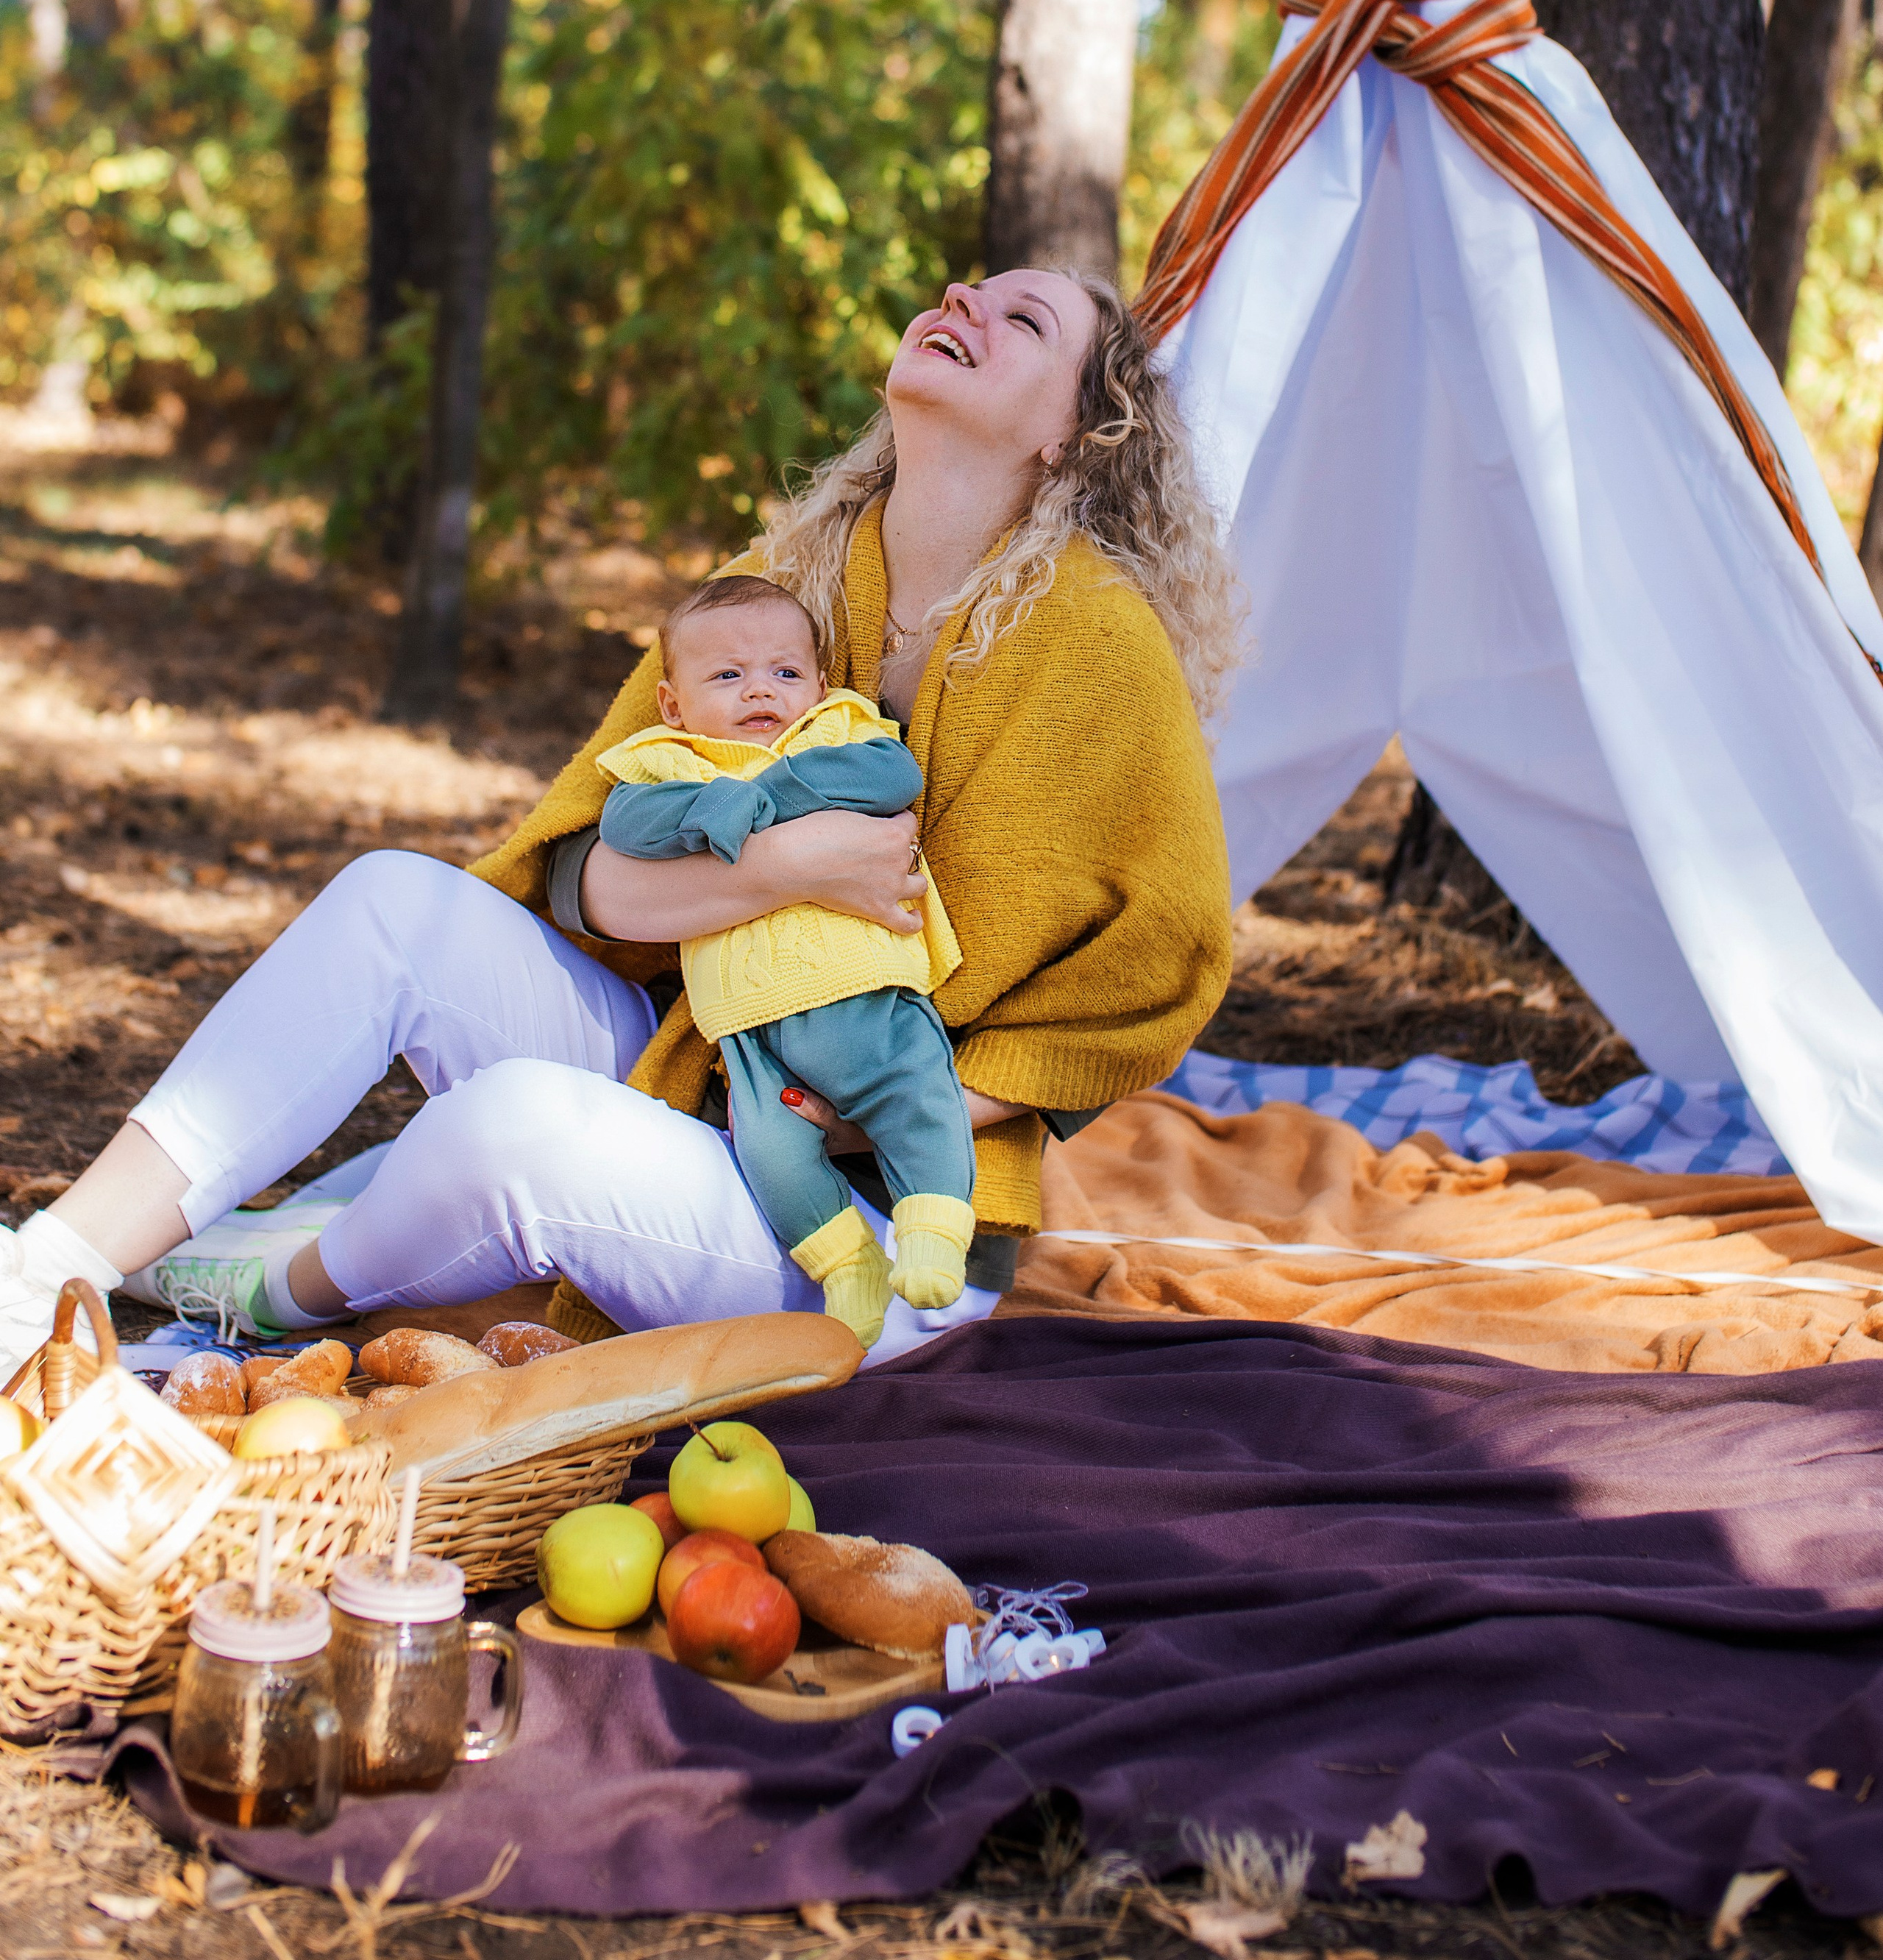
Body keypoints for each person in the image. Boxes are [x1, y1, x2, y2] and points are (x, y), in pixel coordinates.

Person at [0, 269, 1240, 1381]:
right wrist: (785, 864)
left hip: (873, 1213)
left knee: (511, 1125)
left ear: (1079, 434)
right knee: (393, 901)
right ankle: (45, 1272)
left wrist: (882, 1104)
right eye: (969, 286)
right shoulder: (804, 568)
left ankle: (258, 1294)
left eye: (1023, 318)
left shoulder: (1094, 644)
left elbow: (1154, 982)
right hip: (694, 1068)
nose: (966, 299)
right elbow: (589, 873)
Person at [594, 571, 975, 1350]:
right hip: (751, 1033)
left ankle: (934, 1231)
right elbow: (630, 826)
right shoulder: (667, 761)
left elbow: (891, 778)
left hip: (869, 999)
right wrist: (709, 803)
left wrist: (760, 796)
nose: (759, 691)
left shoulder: (836, 731)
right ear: (672, 703)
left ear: (820, 683)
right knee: (773, 1156)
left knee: (920, 1101)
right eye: (727, 676)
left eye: (784, 672)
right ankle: (846, 1267)